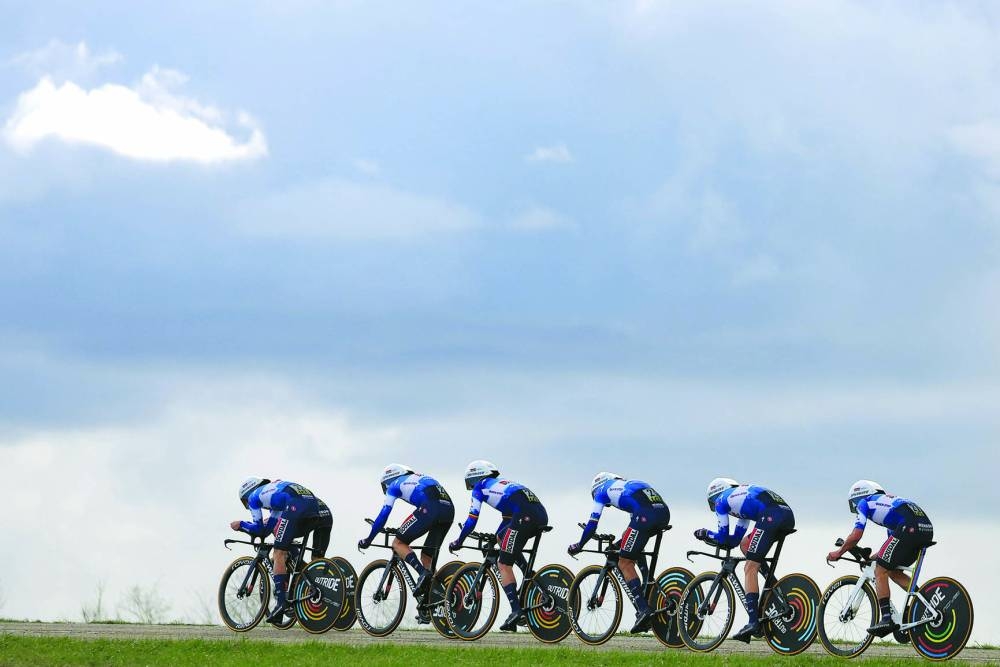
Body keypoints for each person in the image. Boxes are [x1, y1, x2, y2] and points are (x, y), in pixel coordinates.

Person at [449, 460, 548, 632]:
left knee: (503, 563)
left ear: (475, 477)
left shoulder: (480, 487)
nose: (471, 486)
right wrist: (494, 540)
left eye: (469, 482)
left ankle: (516, 611)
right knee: (503, 538)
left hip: (523, 516)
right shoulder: (503, 484)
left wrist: (460, 540)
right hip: (539, 514)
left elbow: (472, 519)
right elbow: (505, 524)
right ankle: (528, 575)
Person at [827, 480, 934, 637]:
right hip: (924, 529)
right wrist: (872, 558)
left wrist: (839, 552)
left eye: (853, 503)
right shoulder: (888, 504)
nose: (855, 507)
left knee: (880, 570)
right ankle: (925, 603)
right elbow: (890, 547)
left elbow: (856, 535)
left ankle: (886, 619)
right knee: (890, 570)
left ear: (859, 496)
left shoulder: (865, 502)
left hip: (908, 527)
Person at [694, 478, 795, 642]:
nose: (715, 508)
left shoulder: (721, 500)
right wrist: (721, 539)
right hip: (785, 515)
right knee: (746, 545)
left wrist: (705, 533)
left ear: (714, 496)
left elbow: (722, 536)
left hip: (770, 516)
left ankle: (753, 622)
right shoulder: (740, 499)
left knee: (749, 568)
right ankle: (774, 589)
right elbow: (734, 541)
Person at [568, 472, 670, 633]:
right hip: (663, 513)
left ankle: (644, 609)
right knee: (629, 542)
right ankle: (647, 582)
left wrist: (579, 544)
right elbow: (633, 526)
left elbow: (592, 524)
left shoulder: (601, 491)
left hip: (645, 515)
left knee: (624, 562)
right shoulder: (627, 484)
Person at [357, 463, 455, 623]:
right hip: (448, 510)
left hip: (430, 508)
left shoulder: (394, 485)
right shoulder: (418, 477)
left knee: (398, 543)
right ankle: (431, 602)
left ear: (388, 479)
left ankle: (423, 574)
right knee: (427, 557)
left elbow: (383, 515)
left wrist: (369, 539)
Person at [230, 477, 332, 623]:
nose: (247, 506)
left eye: (245, 503)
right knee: (284, 541)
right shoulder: (273, 494)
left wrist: (241, 525)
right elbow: (267, 529)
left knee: (279, 552)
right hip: (314, 508)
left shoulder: (253, 497)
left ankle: (281, 604)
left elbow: (259, 530)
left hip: (296, 506)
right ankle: (303, 574)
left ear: (247, 494)